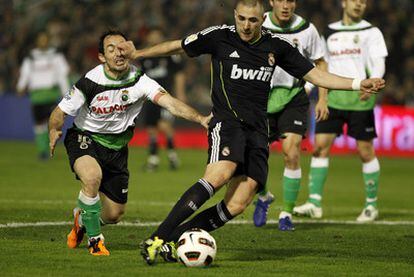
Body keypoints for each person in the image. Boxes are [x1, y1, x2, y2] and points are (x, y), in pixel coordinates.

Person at [118, 0, 384, 265]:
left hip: (258, 131)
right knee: (219, 174)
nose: (246, 25)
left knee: (238, 202)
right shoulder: (219, 36)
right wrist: (138, 54)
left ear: (261, 19)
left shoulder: (276, 46)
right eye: (242, 19)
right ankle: (157, 238)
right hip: (228, 122)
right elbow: (178, 46)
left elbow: (315, 76)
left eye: (253, 20)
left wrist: (359, 83)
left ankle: (174, 241)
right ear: (235, 15)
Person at [48, 30, 210, 256]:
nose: (118, 53)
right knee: (92, 177)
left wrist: (201, 118)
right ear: (102, 57)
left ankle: (83, 218)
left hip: (117, 149)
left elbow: (171, 103)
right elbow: (60, 111)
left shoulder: (139, 80)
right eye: (111, 49)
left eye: (121, 47)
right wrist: (54, 129)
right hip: (86, 138)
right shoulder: (90, 81)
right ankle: (95, 241)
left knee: (114, 214)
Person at [294, 0, 388, 222]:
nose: (359, 5)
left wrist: (373, 82)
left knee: (365, 152)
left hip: (359, 99)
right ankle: (314, 203)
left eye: (363, 2)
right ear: (344, 3)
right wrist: (310, 90)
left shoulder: (371, 32)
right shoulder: (330, 31)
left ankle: (371, 206)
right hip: (333, 99)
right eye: (355, 0)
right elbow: (321, 66)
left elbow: (378, 62)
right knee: (320, 148)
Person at [252, 0, 329, 230]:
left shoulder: (307, 30)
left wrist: (323, 97)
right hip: (260, 98)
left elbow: (320, 62)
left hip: (293, 98)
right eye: (281, 0)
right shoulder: (257, 23)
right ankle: (264, 196)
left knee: (291, 152)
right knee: (253, 156)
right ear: (272, 1)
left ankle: (286, 213)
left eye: (291, 0)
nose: (286, 5)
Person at [139, 27, 187, 171]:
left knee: (164, 125)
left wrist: (180, 93)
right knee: (151, 128)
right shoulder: (145, 56)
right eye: (152, 36)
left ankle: (172, 156)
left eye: (157, 36)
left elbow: (179, 73)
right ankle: (153, 160)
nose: (154, 38)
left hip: (165, 96)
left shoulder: (169, 54)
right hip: (149, 97)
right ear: (148, 38)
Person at [17, 32, 69, 160]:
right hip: (36, 95)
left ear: (49, 40)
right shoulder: (31, 57)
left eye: (45, 39)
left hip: (51, 93)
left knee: (51, 123)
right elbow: (25, 74)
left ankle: (47, 148)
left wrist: (66, 92)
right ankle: (42, 151)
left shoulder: (56, 56)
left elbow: (62, 75)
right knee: (39, 125)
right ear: (37, 41)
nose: (43, 42)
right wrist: (20, 86)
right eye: (41, 39)